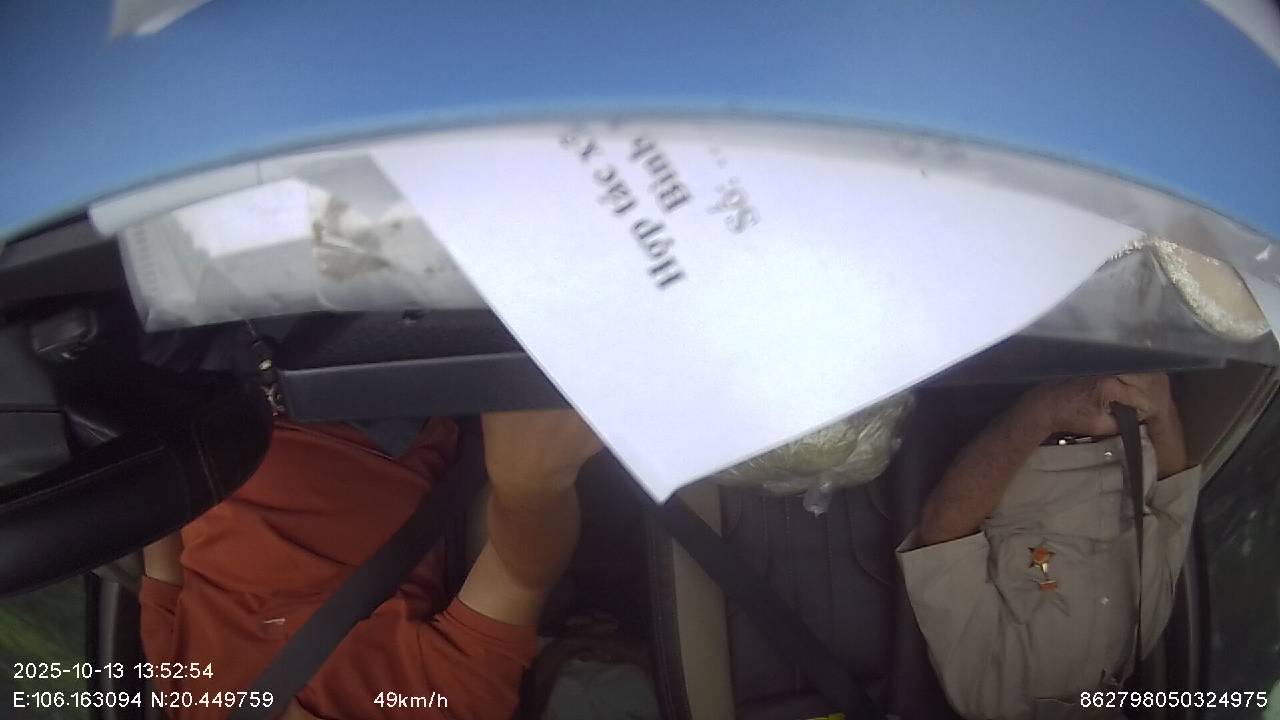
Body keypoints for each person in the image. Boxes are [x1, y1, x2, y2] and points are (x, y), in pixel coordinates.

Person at [140, 409, 602, 720]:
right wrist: (530, 485)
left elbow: (156, 528)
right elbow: (518, 579)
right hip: (373, 407)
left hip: (211, 411)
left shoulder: (183, 696)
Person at [897, 374, 1201, 720]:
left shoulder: (991, 695)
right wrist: (1161, 409)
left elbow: (943, 526)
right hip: (1128, 406)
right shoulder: (1142, 638)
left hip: (1014, 404)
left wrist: (1045, 410)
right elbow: (1173, 497)